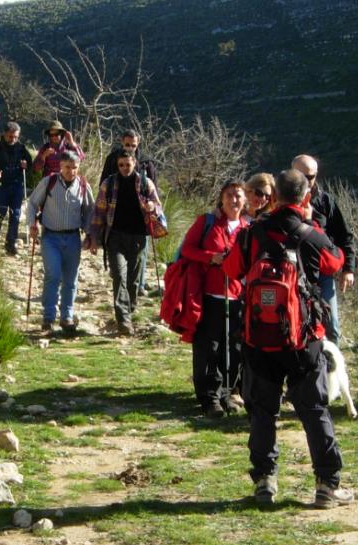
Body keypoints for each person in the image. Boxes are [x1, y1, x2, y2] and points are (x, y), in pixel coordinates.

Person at [221, 168, 353, 508]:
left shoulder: (252, 233)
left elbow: (231, 270)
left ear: (274, 196)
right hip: (302, 340)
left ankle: (265, 480)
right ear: (306, 197)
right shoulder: (311, 235)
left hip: (258, 338)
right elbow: (335, 263)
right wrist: (315, 228)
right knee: (313, 410)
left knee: (263, 411)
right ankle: (327, 484)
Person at [180, 180, 248, 416]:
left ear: (245, 200)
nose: (234, 200)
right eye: (229, 195)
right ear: (221, 199)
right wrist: (212, 257)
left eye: (238, 195)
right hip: (209, 296)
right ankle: (209, 399)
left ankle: (227, 394)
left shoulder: (247, 228)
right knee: (209, 348)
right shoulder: (207, 223)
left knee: (233, 349)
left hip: (237, 297)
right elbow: (186, 249)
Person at [88, 149, 164, 336]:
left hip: (139, 237)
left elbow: (158, 206)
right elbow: (99, 212)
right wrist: (94, 238)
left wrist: (152, 207)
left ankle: (128, 310)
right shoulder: (109, 183)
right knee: (119, 276)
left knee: (134, 279)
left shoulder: (146, 183)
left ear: (134, 164)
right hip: (115, 236)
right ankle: (123, 319)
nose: (124, 168)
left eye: (127, 164)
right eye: (121, 165)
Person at [26, 150, 93, 333]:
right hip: (50, 237)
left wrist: (89, 234)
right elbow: (32, 204)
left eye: (75, 168)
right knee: (53, 275)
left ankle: (67, 317)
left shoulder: (84, 186)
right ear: (60, 166)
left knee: (70, 280)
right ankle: (48, 318)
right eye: (67, 167)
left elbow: (89, 212)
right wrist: (32, 224)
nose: (71, 171)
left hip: (73, 238)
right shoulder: (49, 182)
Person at [291, 154, 355, 344]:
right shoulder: (282, 199)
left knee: (331, 327)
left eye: (312, 176)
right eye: (303, 176)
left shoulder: (326, 201)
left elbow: (345, 235)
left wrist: (348, 269)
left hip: (322, 274)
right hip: (291, 273)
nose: (308, 181)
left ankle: (329, 371)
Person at [0, 121, 32, 255]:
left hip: (17, 185)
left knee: (15, 214)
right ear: (4, 134)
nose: (13, 139)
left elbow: (30, 167)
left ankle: (10, 244)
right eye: (10, 136)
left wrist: (25, 166)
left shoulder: (21, 149)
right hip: (1, 186)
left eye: (15, 137)